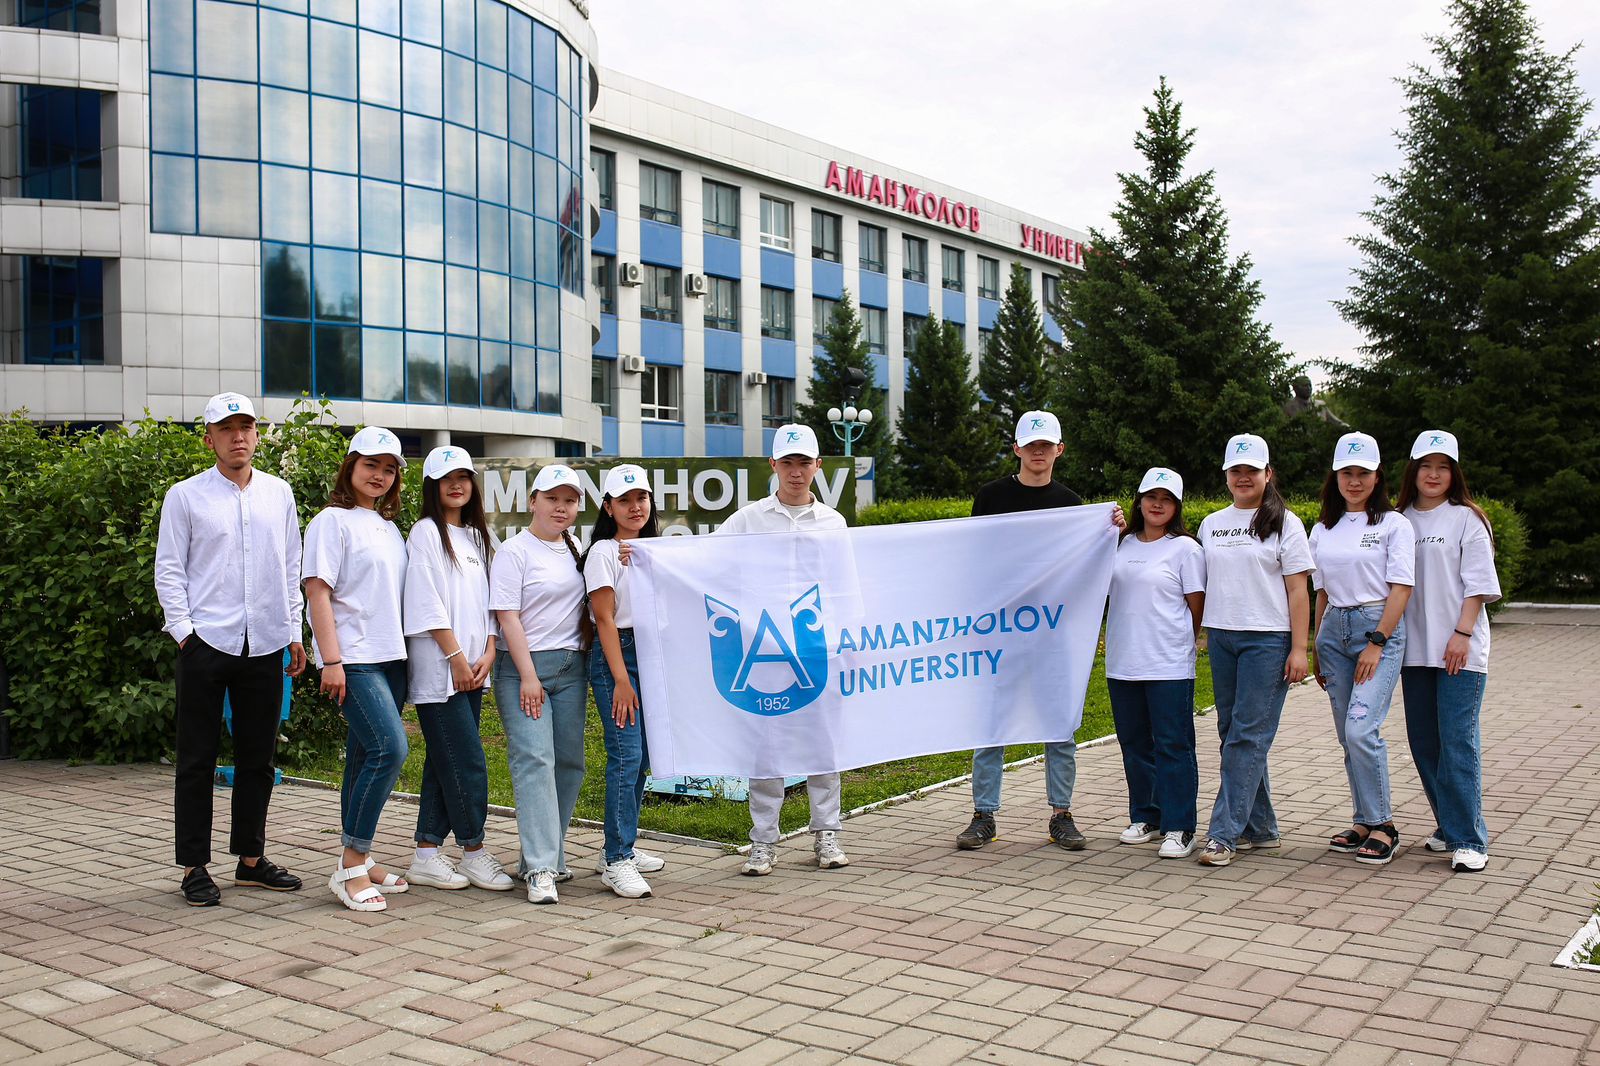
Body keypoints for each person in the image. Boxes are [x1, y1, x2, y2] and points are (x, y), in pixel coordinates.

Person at [154, 392, 307, 907]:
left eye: (246, 427)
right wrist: (185, 635)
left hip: (265, 642)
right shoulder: (185, 497)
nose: (238, 436)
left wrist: (293, 632)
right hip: (206, 643)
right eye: (226, 428)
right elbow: (169, 569)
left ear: (257, 434)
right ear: (209, 439)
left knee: (258, 759)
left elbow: (290, 565)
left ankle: (250, 861)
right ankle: (194, 867)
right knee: (196, 759)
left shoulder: (279, 493)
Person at [955, 411, 1124, 853]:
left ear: (1059, 450)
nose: (1038, 452)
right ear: (1016, 448)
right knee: (991, 724)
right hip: (1000, 631)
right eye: (1030, 445)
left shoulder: (1071, 503)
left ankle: (1061, 814)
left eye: (1045, 445)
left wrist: (1110, 532)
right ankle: (983, 815)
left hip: (1052, 631)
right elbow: (973, 556)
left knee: (1059, 722)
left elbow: (1084, 562)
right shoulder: (991, 496)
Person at [717, 425, 850, 876]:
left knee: (824, 744)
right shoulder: (746, 521)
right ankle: (763, 841)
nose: (796, 472)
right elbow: (704, 562)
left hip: (818, 649)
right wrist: (641, 556)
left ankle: (826, 833)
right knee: (766, 747)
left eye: (804, 462)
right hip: (765, 650)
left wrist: (848, 641)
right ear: (773, 465)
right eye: (788, 462)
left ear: (818, 466)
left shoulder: (833, 523)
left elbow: (845, 586)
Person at [303, 427, 412, 912]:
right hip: (354, 658)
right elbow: (318, 593)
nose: (380, 476)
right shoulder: (331, 522)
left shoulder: (389, 528)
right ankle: (351, 864)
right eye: (371, 465)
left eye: (389, 469)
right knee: (391, 749)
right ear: (350, 466)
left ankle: (361, 860)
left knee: (363, 756)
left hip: (392, 657)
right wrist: (331, 660)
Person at [1196, 434, 1314, 868]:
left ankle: (1223, 834)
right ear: (1227, 475)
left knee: (1247, 735)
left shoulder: (1286, 523)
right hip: (1223, 638)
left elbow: (1299, 590)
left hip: (1267, 640)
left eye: (1252, 470)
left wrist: (1299, 648)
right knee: (1233, 733)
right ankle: (1260, 829)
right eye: (1236, 471)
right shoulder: (1211, 523)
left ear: (1268, 474)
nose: (1243, 477)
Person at [401, 446, 514, 892]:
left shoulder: (480, 538)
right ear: (432, 486)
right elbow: (425, 600)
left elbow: (492, 602)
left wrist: (489, 649)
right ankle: (473, 850)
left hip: (473, 667)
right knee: (467, 762)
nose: (456, 485)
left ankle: (426, 855)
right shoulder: (426, 532)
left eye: (463, 477)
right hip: (441, 670)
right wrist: (455, 658)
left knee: (442, 761)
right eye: (446, 478)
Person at [1309, 432, 1414, 866]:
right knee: (1346, 736)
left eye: (1363, 473)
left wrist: (1378, 642)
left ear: (1377, 476)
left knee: (1360, 730)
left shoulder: (1393, 525)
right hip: (1333, 631)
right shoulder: (1322, 528)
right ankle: (1363, 820)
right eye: (1347, 473)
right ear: (1335, 477)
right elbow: (1320, 591)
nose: (1354, 481)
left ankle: (1384, 825)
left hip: (1377, 628)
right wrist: (1317, 643)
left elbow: (1401, 588)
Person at [1398, 430, 1500, 873]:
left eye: (1443, 467)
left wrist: (1462, 633)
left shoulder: (1467, 519)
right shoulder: (1399, 520)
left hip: (1459, 649)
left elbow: (1478, 585)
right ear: (1414, 470)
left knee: (1457, 741)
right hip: (1413, 651)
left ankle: (1469, 839)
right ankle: (1449, 824)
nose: (1434, 474)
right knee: (1424, 743)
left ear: (1454, 473)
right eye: (1426, 466)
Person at [490, 464, 591, 904]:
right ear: (533, 501)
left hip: (572, 670)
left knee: (569, 763)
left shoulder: (577, 547)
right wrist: (528, 675)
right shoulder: (514, 551)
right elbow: (507, 616)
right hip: (523, 670)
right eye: (552, 499)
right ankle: (541, 868)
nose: (560, 507)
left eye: (569, 500)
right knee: (535, 760)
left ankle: (549, 853)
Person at [1106, 468, 1206, 859]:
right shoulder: (1122, 544)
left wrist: (1179, 642)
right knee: (1134, 744)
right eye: (1151, 497)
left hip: (1168, 664)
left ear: (1176, 506)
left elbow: (1196, 607)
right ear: (1140, 501)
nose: (1158, 504)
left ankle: (1180, 826)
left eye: (1166, 499)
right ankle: (1146, 815)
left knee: (1173, 745)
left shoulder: (1186, 549)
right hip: (1122, 662)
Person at [583, 463, 669, 898]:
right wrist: (620, 678)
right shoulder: (603, 552)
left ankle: (619, 848)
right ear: (608, 507)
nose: (635, 507)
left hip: (651, 654)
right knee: (626, 755)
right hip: (618, 656)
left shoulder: (651, 550)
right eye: (624, 500)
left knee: (643, 757)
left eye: (642, 498)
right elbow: (603, 618)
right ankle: (617, 860)